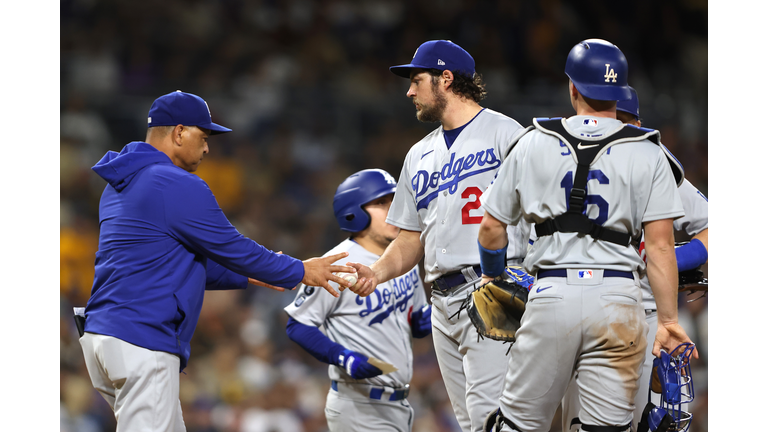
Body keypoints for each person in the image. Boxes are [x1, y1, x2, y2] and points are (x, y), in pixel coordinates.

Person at [79, 90, 357, 432]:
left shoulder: (120, 182)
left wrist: (247, 277)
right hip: (142, 338)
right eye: (203, 136)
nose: (208, 148)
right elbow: (233, 247)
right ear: (179, 132)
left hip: (103, 336)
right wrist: (301, 270)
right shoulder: (175, 182)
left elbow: (170, 261)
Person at [476, 39, 699, 432]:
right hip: (619, 302)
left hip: (551, 295)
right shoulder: (650, 151)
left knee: (517, 424)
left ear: (572, 88)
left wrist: (493, 273)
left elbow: (492, 228)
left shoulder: (533, 142)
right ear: (621, 92)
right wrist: (667, 321)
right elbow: (661, 247)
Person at [347, 40, 531, 432]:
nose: (410, 91)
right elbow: (412, 239)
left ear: (446, 79)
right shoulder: (418, 154)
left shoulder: (505, 133)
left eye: (417, 80)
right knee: (470, 421)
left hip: (493, 287)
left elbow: (540, 212)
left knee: (492, 416)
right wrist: (376, 273)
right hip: (442, 302)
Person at [560, 86, 709, 432]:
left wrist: (677, 257)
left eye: (621, 121)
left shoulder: (653, 163)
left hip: (645, 320)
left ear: (637, 124)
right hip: (581, 317)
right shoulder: (562, 162)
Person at [284, 169, 432, 432]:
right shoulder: (338, 262)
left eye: (394, 200)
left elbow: (419, 324)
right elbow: (297, 324)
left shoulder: (404, 259)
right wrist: (344, 357)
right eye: (380, 203)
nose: (393, 208)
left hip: (402, 405)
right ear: (354, 212)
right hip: (358, 403)